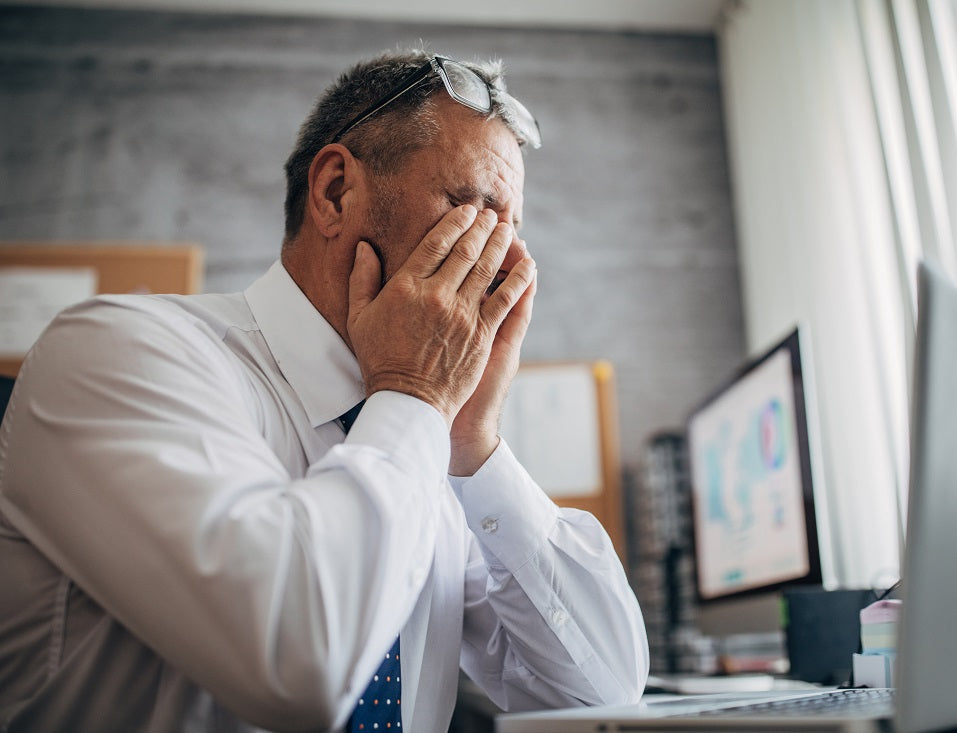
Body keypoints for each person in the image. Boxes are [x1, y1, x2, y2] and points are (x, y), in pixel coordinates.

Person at [0, 50, 648, 732]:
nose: (505, 262)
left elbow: (601, 687)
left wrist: (473, 446)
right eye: (471, 210)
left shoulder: (425, 443)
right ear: (336, 191)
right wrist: (414, 394)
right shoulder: (119, 354)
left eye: (511, 230)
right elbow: (298, 666)